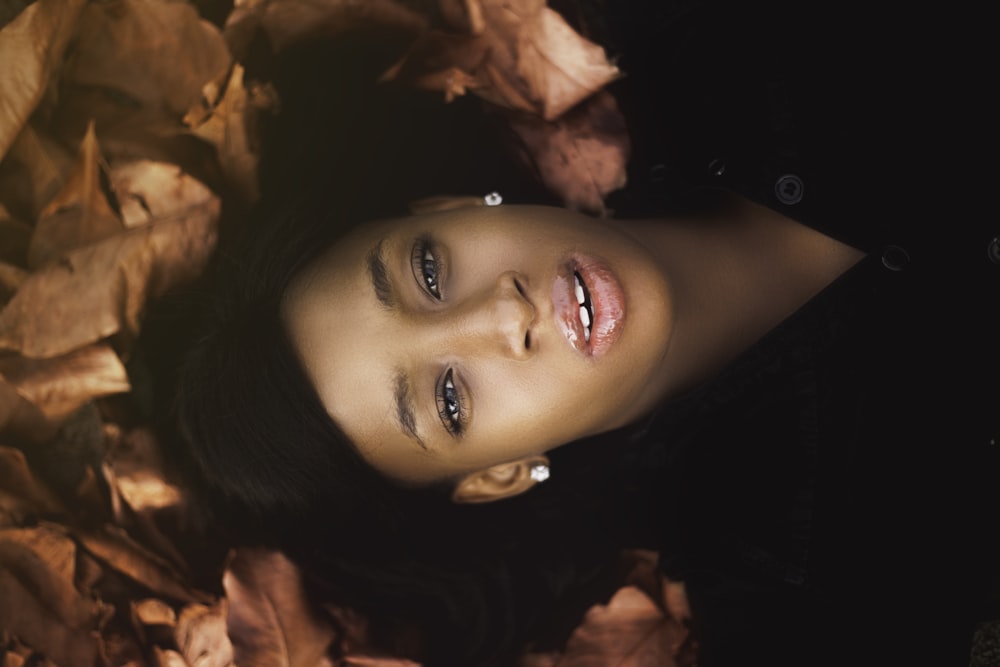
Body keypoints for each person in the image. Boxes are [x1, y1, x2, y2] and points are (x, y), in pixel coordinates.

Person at [174, 1, 998, 665]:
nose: (504, 313)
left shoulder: (713, 29)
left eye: (428, 273)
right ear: (496, 474)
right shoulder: (809, 592)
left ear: (446, 211)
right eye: (451, 400)